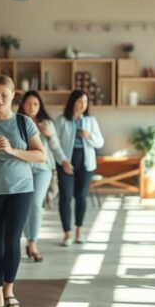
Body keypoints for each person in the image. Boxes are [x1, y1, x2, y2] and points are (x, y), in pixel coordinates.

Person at [0, 76, 45, 307]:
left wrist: (12, 150)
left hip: (21, 190)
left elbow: (40, 155)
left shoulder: (24, 123)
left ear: (13, 94)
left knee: (13, 240)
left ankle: (9, 291)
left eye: (4, 95)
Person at [19, 90, 66, 261]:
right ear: (22, 105)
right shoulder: (16, 122)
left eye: (36, 104)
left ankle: (32, 243)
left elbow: (56, 146)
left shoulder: (47, 123)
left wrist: (50, 135)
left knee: (36, 204)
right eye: (29, 103)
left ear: (40, 106)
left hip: (43, 169)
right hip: (22, 169)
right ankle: (30, 242)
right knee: (24, 206)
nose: (32, 107)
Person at [54, 89, 104, 246]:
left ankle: (78, 232)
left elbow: (100, 142)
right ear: (72, 102)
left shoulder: (91, 121)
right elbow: (54, 144)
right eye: (80, 101)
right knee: (66, 197)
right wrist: (63, 161)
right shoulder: (61, 120)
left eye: (85, 102)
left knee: (81, 197)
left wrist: (89, 136)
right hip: (66, 163)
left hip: (86, 164)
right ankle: (67, 233)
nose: (83, 105)